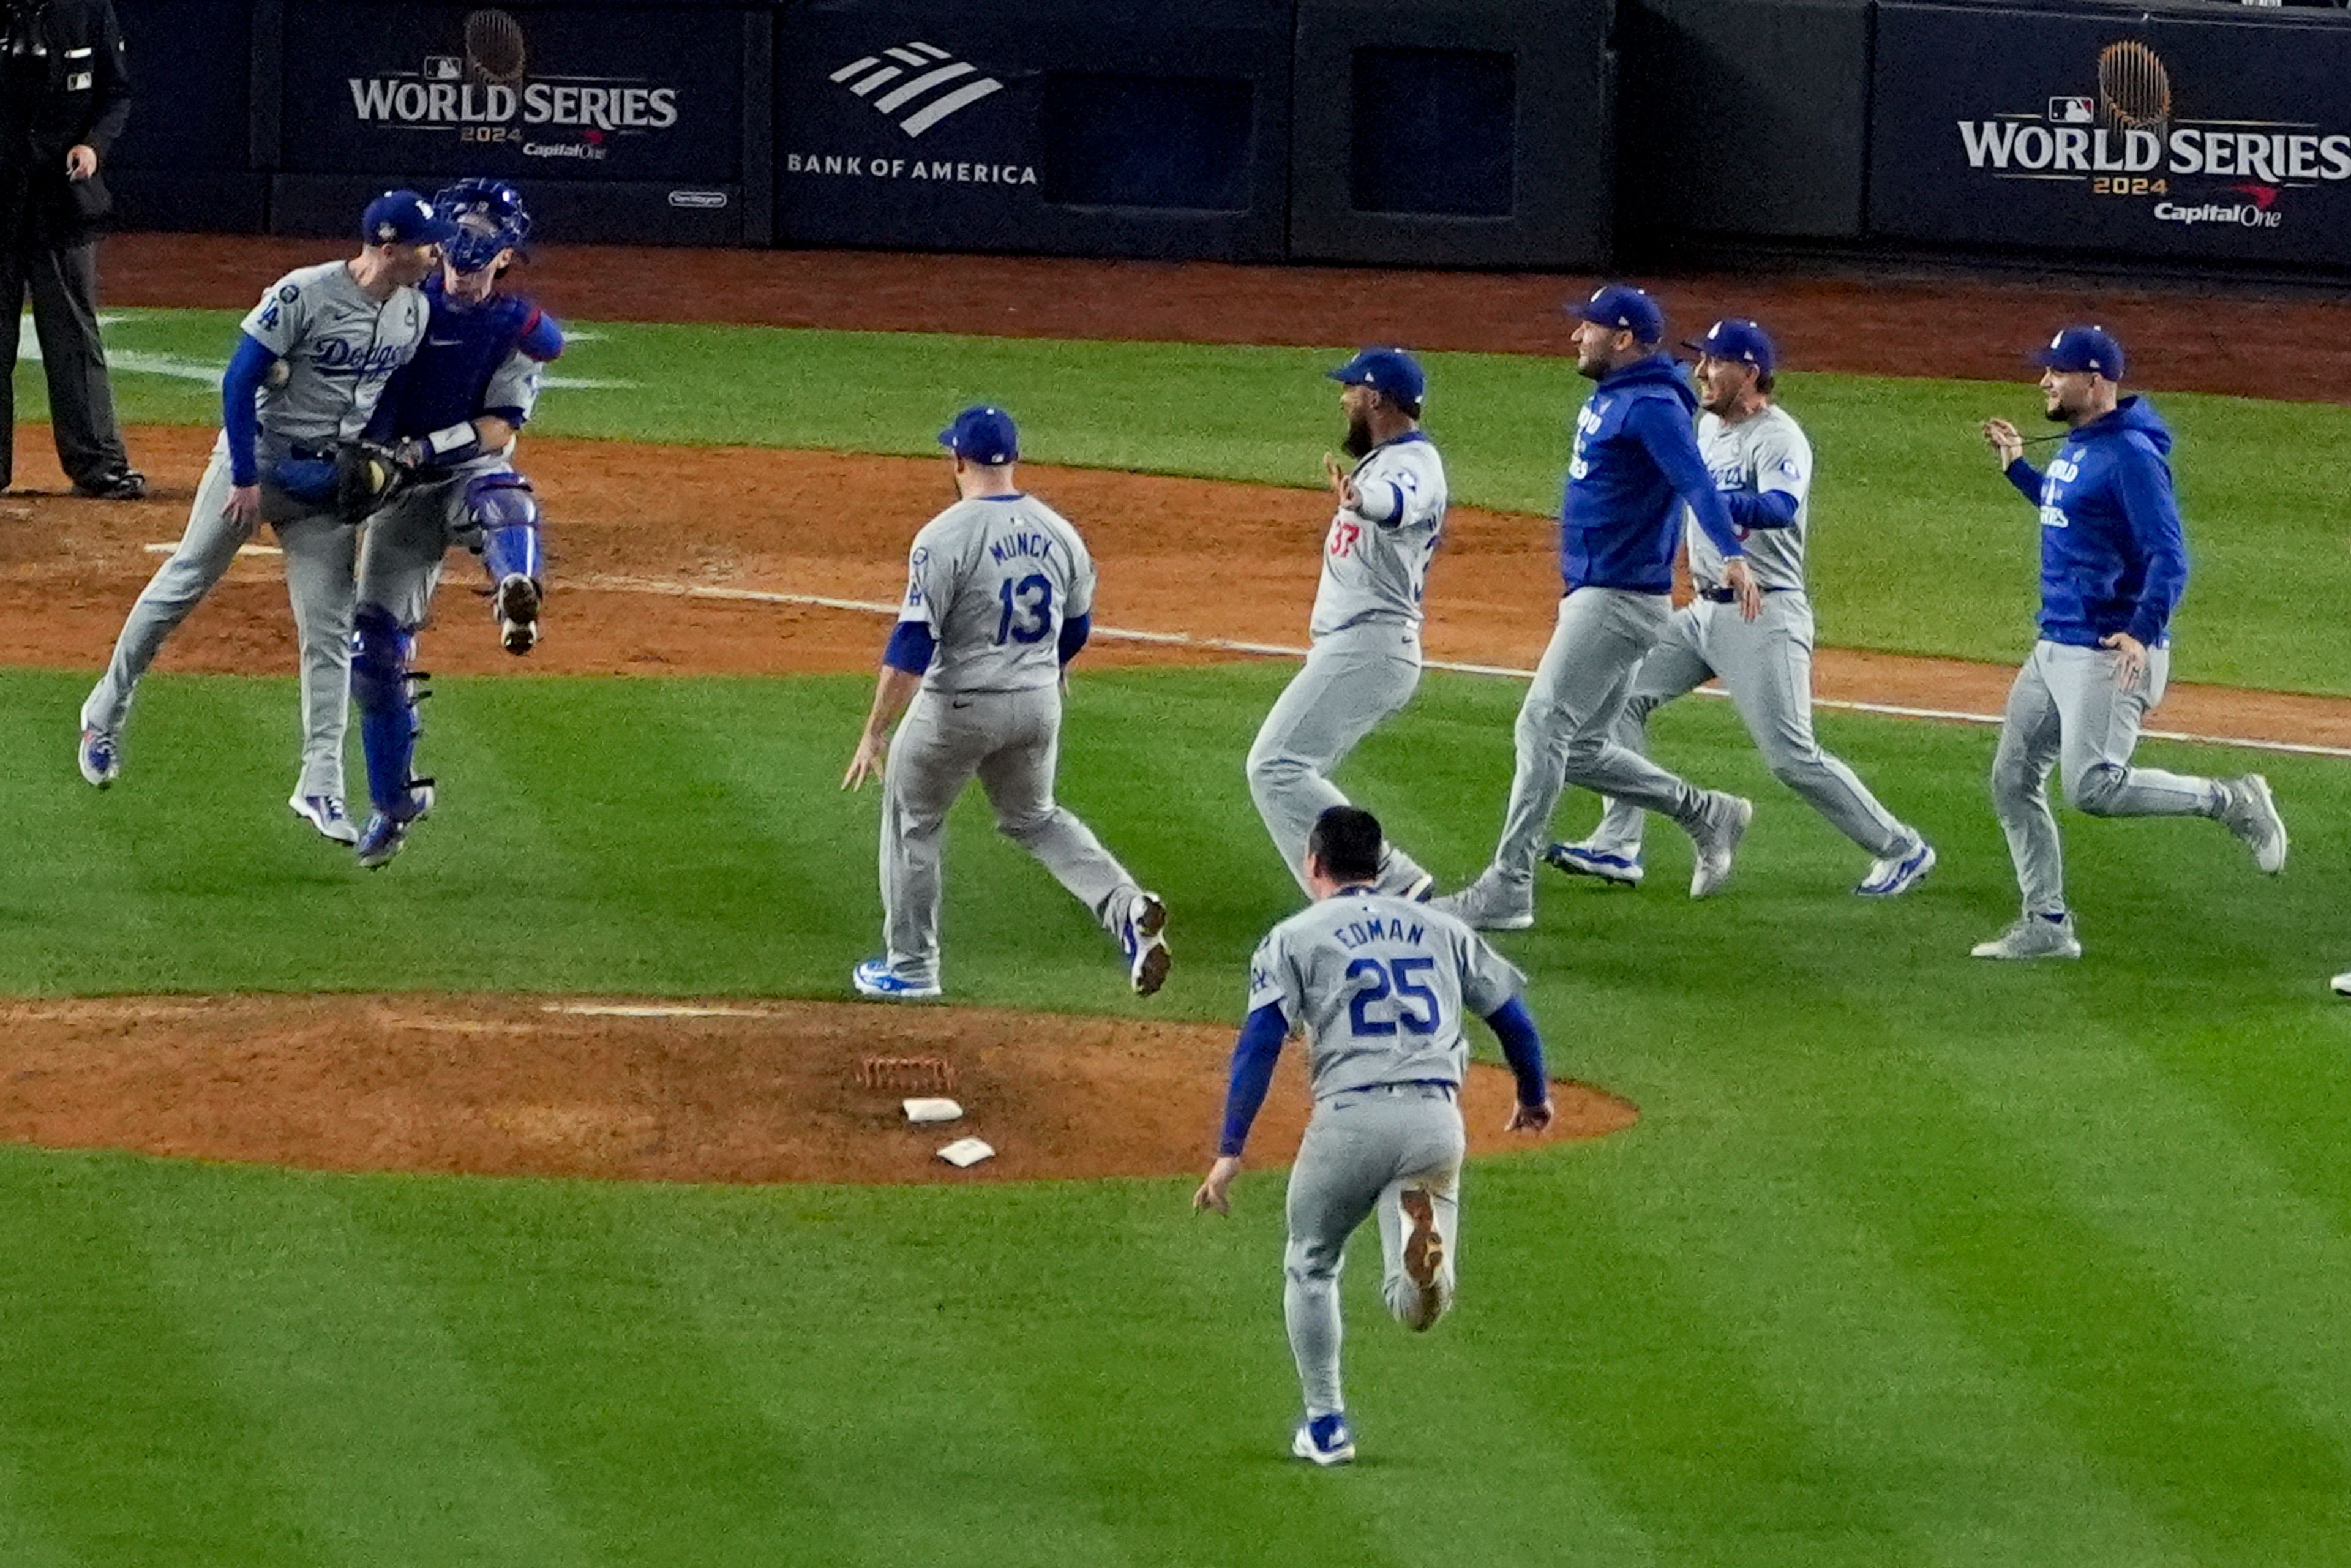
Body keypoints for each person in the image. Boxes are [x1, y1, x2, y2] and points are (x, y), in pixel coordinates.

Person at [77, 191, 448, 844]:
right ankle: (104, 709)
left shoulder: (413, 311)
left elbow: (387, 400)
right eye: (425, 244)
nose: (436, 253)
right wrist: (246, 477)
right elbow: (238, 379)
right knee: (183, 582)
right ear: (389, 249)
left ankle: (320, 786)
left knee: (330, 631)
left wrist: (376, 459)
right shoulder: (304, 294)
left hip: (327, 486)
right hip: (257, 469)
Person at [1194, 804, 1553, 1467]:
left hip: (1349, 1122)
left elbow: (1259, 1045)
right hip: (1434, 1122)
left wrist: (1229, 1148)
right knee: (1415, 1307)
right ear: (1381, 865)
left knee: (1311, 1260)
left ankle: (1327, 1426)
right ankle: (1421, 1276)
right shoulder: (1442, 927)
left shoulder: (1294, 936)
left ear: (1314, 863)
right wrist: (1533, 1096)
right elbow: (1516, 1023)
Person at [1547, 318, 1935, 896]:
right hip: (1702, 612)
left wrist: (1704, 497)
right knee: (1621, 700)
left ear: (1750, 371)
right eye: (1700, 361)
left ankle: (1901, 847)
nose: (1701, 372)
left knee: (1791, 756)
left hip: (1764, 613)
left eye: (1715, 362)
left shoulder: (1780, 437)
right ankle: (1617, 844)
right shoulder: (1704, 428)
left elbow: (1778, 507)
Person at [1433, 283, 1760, 930]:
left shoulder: (1651, 407)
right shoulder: (1617, 394)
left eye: (1587, 327)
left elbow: (1693, 478)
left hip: (1617, 597)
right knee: (1580, 745)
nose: (1574, 335)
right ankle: (1706, 811)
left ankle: (1509, 885)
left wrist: (1730, 551)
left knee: (1540, 726)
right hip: (1603, 593)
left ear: (1623, 337)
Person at [1973, 325, 2285, 960]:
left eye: (2056, 372)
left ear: (2095, 380)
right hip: (2054, 641)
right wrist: (2019, 471)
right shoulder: (2082, 444)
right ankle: (2048, 923)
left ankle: (2229, 799)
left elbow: (2170, 557)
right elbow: (2069, 511)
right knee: (2011, 780)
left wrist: (2142, 632)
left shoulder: (2133, 458)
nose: (2044, 381)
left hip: (2108, 649)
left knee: (2093, 787)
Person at [841, 403, 1170, 1000]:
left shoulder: (943, 537)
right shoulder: (1061, 532)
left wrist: (875, 730)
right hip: (1037, 704)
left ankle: (911, 968)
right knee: (1036, 818)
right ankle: (1126, 907)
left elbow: (912, 645)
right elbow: (1076, 625)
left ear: (958, 459)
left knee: (913, 821)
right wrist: (1054, 667)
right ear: (1015, 459)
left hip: (958, 708)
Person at [347, 178, 561, 868]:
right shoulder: (399, 305)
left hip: (466, 468)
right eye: (457, 260)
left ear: (506, 259)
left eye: (482, 261)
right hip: (399, 491)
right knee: (374, 651)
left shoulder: (515, 331)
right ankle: (393, 804)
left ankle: (515, 587)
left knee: (504, 495)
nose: (466, 273)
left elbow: (499, 430)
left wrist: (426, 448)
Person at [1245, 347, 1445, 901]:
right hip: (1358, 646)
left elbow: (1400, 501)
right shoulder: (1384, 458)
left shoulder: (1414, 465)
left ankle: (1385, 882)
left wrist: (1364, 499)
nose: (1344, 398)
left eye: (1351, 389)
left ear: (1375, 398)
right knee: (1292, 772)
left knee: (1275, 766)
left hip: (1371, 645)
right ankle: (1365, 888)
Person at [0, 0, 143, 498]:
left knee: (72, 335)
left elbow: (115, 93)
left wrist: (93, 145)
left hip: (62, 197)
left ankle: (98, 462)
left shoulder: (87, 8)